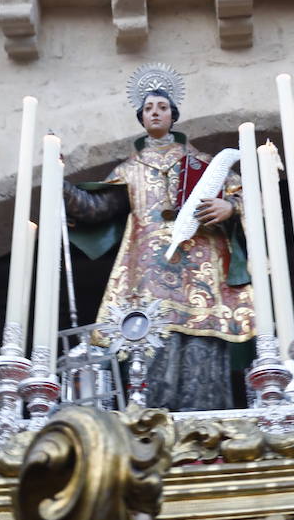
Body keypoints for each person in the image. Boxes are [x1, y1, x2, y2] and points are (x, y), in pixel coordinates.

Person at [63, 66, 255, 411]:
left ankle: (205, 417)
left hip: (203, 269)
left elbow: (252, 195)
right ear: (141, 117)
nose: (155, 112)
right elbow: (96, 208)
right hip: (150, 269)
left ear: (173, 114)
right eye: (149, 107)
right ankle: (150, 415)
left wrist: (229, 207)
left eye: (162, 107)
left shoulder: (206, 163)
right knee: (151, 337)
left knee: (204, 340)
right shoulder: (130, 169)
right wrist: (58, 183)